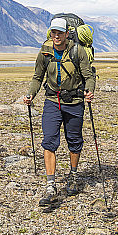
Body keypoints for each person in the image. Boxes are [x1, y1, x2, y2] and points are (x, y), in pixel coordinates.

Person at [23, 17, 96, 206]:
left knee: (74, 140)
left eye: (60, 33)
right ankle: (51, 186)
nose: (56, 36)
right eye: (53, 32)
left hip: (74, 101)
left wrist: (89, 90)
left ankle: (73, 175)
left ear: (66, 34)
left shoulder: (77, 51)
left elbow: (89, 75)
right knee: (49, 141)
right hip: (52, 101)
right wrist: (31, 94)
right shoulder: (45, 52)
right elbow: (37, 77)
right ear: (50, 33)